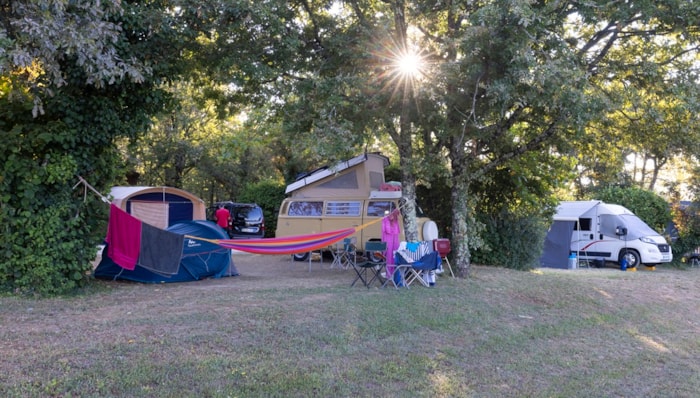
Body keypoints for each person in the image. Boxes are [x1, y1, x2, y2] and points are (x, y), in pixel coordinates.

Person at [382, 208, 401, 277]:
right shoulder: (386, 219)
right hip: (391, 240)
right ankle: (392, 273)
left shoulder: (387, 220)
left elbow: (384, 230)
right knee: (393, 255)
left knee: (391, 256)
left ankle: (391, 273)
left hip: (390, 240)